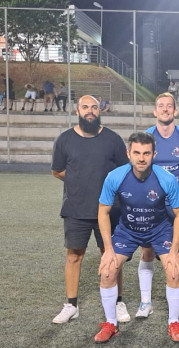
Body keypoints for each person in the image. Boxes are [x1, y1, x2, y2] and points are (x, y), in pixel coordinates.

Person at [94, 132, 179, 343]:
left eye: (146, 153)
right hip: (128, 230)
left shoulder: (167, 179)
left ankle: (174, 322)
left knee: (174, 271)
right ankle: (111, 323)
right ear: (129, 154)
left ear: (154, 154)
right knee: (108, 271)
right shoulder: (115, 177)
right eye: (136, 153)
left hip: (159, 229)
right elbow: (103, 212)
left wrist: (174, 251)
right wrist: (108, 250)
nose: (141, 158)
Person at [50, 95, 129, 325]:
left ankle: (118, 302)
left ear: (99, 110)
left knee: (112, 256)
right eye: (85, 107)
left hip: (109, 209)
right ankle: (71, 305)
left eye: (94, 107)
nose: (90, 111)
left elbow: (124, 171)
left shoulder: (113, 139)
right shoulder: (65, 140)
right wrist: (78, 181)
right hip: (76, 208)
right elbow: (57, 171)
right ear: (77, 111)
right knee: (74, 256)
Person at [138, 92, 179, 320]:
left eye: (169, 106)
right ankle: (146, 302)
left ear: (175, 110)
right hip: (152, 207)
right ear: (155, 111)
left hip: (178, 209)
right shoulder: (146, 138)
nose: (165, 109)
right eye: (161, 106)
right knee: (147, 251)